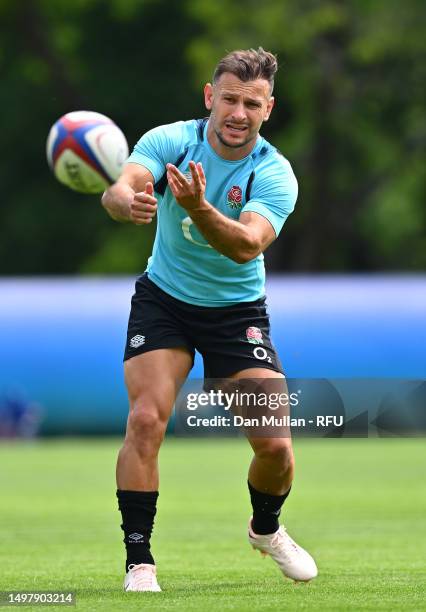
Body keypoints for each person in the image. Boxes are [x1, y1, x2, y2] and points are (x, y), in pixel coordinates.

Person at [101, 47, 317, 592]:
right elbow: (122, 184)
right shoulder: (171, 139)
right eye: (229, 99)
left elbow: (246, 245)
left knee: (275, 447)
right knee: (147, 419)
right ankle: (139, 561)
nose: (238, 112)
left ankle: (265, 530)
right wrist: (123, 200)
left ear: (268, 109)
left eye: (252, 102)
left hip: (236, 313)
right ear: (209, 97)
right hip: (165, 300)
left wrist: (198, 207)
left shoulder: (274, 172)